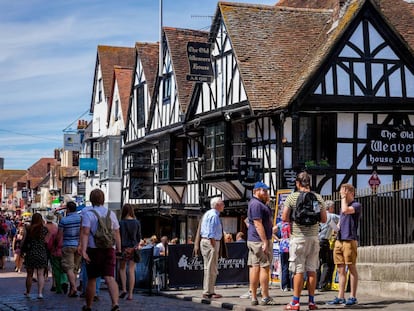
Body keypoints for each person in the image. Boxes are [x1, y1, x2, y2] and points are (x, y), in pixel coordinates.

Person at [282, 172, 327, 310]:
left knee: (298, 271)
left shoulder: (292, 197)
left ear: (297, 183)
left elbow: (284, 217)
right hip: (313, 238)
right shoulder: (317, 198)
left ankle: (295, 302)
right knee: (312, 270)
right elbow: (324, 219)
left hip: (298, 238)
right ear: (309, 183)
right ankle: (312, 302)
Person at [80, 188, 122, 311]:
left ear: (91, 200)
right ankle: (115, 303)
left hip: (94, 249)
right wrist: (118, 248)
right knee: (110, 277)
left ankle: (88, 305)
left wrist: (83, 250)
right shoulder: (111, 213)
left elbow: (85, 233)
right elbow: (116, 232)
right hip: (109, 248)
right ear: (103, 200)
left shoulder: (89, 214)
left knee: (92, 278)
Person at [327, 184, 361, 306]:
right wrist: (336, 228)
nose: (342, 194)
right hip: (339, 240)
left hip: (349, 240)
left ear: (351, 192)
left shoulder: (356, 205)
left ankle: (353, 296)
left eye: (344, 192)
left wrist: (343, 198)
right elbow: (341, 220)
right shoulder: (343, 207)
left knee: (351, 268)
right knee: (341, 270)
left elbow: (346, 210)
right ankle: (340, 296)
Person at [246, 181, 276, 306]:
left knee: (254, 267)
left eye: (267, 191)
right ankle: (265, 296)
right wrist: (265, 241)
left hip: (254, 240)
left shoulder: (257, 203)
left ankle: (253, 297)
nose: (266, 193)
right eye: (263, 191)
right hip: (259, 241)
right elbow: (258, 224)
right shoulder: (256, 205)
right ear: (256, 191)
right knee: (264, 267)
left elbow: (249, 221)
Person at [199, 197, 225, 299]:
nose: (223, 205)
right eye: (222, 203)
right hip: (211, 242)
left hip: (205, 241)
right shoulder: (214, 215)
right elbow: (211, 231)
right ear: (217, 205)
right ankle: (208, 292)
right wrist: (213, 244)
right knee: (211, 267)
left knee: (208, 267)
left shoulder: (208, 213)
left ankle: (208, 290)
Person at [21, 212, 49, 299]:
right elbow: (47, 242)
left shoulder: (28, 228)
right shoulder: (44, 229)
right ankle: (40, 293)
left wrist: (22, 249)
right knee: (40, 274)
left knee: (29, 274)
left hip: (31, 253)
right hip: (41, 253)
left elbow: (23, 240)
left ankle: (28, 292)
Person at [57, 201, 82, 297]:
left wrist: (57, 245)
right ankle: (72, 290)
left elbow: (59, 235)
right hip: (78, 245)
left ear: (68, 209)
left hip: (67, 245)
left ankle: (74, 287)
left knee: (68, 268)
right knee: (75, 269)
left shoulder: (64, 220)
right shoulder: (81, 219)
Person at [118, 203, 141, 301]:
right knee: (131, 271)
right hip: (133, 248)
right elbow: (139, 237)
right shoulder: (137, 222)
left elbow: (118, 237)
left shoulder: (121, 222)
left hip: (123, 248)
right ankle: (131, 294)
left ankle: (123, 289)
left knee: (122, 269)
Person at [317, 200, 339, 291]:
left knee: (316, 264)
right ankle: (322, 285)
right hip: (324, 241)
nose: (333, 209)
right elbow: (342, 220)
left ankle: (313, 284)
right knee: (326, 264)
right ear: (329, 208)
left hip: (315, 241)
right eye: (333, 207)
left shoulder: (318, 216)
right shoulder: (331, 216)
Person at [45, 212, 68, 294]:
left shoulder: (51, 231)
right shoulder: (58, 229)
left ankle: (58, 287)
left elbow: (49, 243)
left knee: (56, 270)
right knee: (64, 269)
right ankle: (65, 281)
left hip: (54, 252)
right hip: (64, 251)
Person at [277, 220, 292, 291]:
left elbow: (271, 231)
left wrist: (278, 239)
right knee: (291, 267)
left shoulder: (280, 224)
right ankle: (291, 285)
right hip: (291, 245)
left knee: (284, 267)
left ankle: (285, 286)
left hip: (283, 246)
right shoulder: (292, 224)